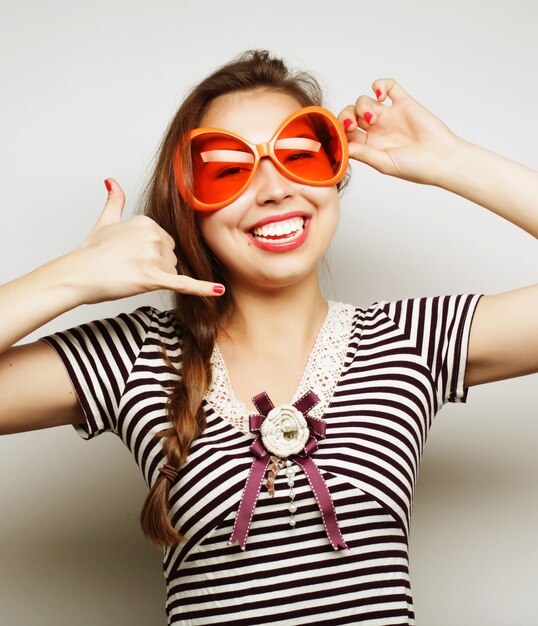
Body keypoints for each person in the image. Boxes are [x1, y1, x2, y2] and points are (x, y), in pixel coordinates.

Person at [0, 48, 536, 626]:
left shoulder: (411, 339)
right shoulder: (135, 358)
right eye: (229, 169)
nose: (275, 189)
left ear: (336, 178)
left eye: (300, 157)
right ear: (189, 204)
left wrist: (452, 161)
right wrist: (71, 277)